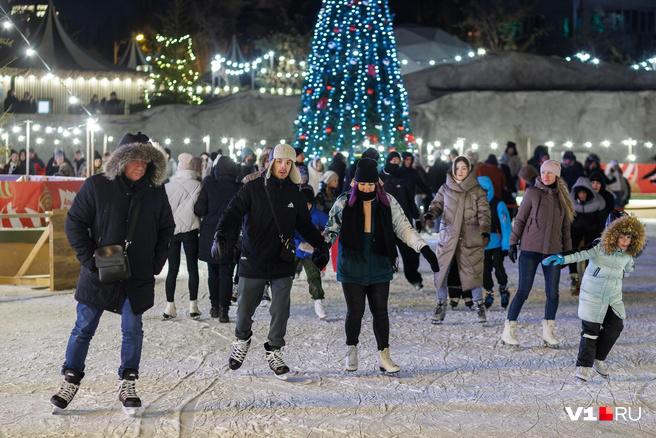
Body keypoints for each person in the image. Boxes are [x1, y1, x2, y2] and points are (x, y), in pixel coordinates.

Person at [51, 132, 175, 414]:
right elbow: (75, 223)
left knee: (133, 330)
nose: (141, 165)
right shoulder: (97, 186)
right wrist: (90, 260)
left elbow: (167, 228)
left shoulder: (156, 193)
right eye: (135, 159)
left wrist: (155, 263)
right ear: (122, 160)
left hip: (137, 275)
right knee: (84, 328)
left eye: (146, 160)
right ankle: (70, 378)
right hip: (100, 272)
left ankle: (128, 381)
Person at [215, 144, 330, 379]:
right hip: (253, 257)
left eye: (289, 163)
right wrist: (222, 233)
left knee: (280, 308)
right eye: (280, 162)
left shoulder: (294, 194)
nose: (284, 167)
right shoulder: (253, 188)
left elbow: (305, 226)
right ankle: (242, 338)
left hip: (281, 259)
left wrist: (320, 245)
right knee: (245, 308)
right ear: (271, 162)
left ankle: (274, 348)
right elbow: (233, 212)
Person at [325, 158, 439, 373]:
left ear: (377, 183)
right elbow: (331, 230)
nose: (367, 188)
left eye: (370, 184)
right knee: (355, 311)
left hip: (379, 262)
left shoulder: (387, 201)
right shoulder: (344, 202)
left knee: (380, 312)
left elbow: (403, 228)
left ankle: (384, 356)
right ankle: (352, 350)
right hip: (352, 263)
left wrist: (422, 247)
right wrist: (322, 250)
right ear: (356, 183)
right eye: (363, 184)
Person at [541, 215, 645, 381]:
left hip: (613, 297)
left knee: (616, 326)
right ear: (613, 235)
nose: (625, 241)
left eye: (629, 237)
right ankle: (583, 366)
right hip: (593, 295)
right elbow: (580, 253)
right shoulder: (600, 246)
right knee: (591, 331)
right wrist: (562, 257)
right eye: (622, 237)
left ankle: (598, 358)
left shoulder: (627, 256)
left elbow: (627, 269)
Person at [501, 160, 574, 348]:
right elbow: (520, 219)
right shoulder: (532, 193)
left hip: (553, 251)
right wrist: (512, 243)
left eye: (550, 173)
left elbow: (566, 228)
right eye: (543, 172)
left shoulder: (562, 199)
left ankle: (548, 332)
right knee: (523, 291)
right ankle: (508, 330)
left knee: (553, 293)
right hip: (530, 249)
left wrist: (567, 251)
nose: (546, 176)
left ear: (556, 175)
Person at [425, 156, 491, 324]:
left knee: (473, 272)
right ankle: (440, 304)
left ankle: (479, 305)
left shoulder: (477, 190)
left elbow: (484, 212)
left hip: (470, 236)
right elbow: (437, 204)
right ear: (453, 169)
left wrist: (484, 231)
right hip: (448, 236)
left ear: (469, 169)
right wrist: (430, 214)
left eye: (464, 168)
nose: (460, 171)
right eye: (458, 168)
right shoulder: (445, 188)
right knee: (441, 272)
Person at [194, 156, 242, 322]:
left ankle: (214, 306)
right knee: (226, 273)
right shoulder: (238, 188)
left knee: (212, 273)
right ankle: (224, 310)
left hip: (210, 235)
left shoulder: (209, 185)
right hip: (230, 234)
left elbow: (199, 209)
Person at [163, 153, 203, 320]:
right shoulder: (198, 185)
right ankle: (193, 306)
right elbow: (200, 209)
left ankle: (169, 306)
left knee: (172, 269)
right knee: (192, 268)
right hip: (191, 230)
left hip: (172, 232)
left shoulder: (168, 186)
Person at [380, 151, 423, 290]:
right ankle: (380, 283)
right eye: (393, 160)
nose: (395, 163)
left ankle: (414, 278)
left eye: (397, 161)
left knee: (410, 251)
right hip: (385, 222)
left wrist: (417, 217)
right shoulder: (380, 177)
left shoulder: (404, 177)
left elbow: (410, 200)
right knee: (385, 254)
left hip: (403, 221)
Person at [567, 176, 607, 295]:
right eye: (580, 193)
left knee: (592, 254)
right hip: (575, 231)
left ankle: (589, 279)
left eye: (584, 192)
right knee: (572, 252)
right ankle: (574, 277)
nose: (582, 195)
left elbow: (601, 221)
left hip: (591, 231)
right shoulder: (571, 203)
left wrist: (600, 233)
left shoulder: (598, 203)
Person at [477, 176, 512, 309]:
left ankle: (503, 289)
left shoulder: (498, 204)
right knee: (485, 271)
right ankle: (489, 292)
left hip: (497, 243)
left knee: (498, 267)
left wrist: (506, 244)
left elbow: (506, 225)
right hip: (482, 245)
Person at [295, 186, 329, 319]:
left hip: (310, 252)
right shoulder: (294, 214)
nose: (306, 207)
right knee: (284, 276)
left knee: (314, 277)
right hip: (295, 251)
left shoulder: (317, 215)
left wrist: (322, 238)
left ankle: (318, 301)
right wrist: (299, 244)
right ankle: (277, 300)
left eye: (308, 204)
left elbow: (329, 227)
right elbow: (288, 232)